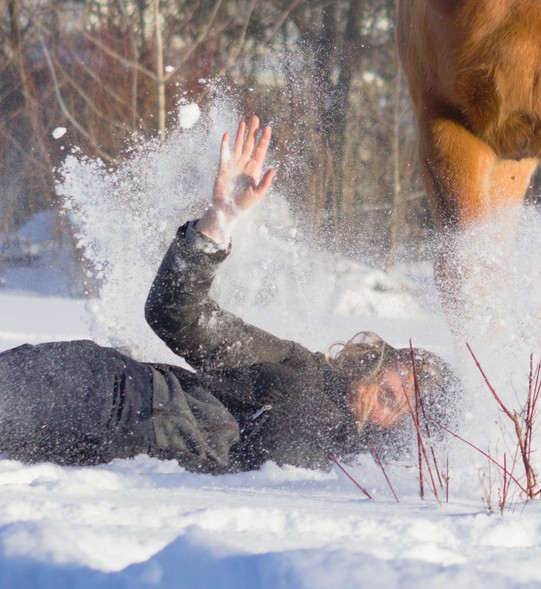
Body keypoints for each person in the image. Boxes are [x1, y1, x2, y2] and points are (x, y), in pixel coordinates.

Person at [0, 118, 458, 473]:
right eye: (399, 375)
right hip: (107, 394)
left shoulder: (349, 478)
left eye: (403, 403)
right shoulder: (298, 368)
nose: (389, 391)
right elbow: (177, 317)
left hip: (101, 448)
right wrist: (217, 224)